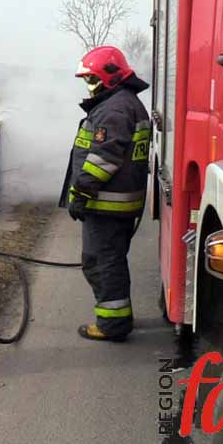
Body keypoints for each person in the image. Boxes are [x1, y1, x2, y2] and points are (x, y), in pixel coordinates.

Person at [59, 45, 151, 342]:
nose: (89, 85)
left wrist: (80, 193)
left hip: (106, 205)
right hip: (116, 204)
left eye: (91, 79)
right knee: (109, 261)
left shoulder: (114, 109)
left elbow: (103, 159)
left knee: (102, 263)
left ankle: (112, 325)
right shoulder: (124, 103)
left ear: (109, 76)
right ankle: (118, 319)